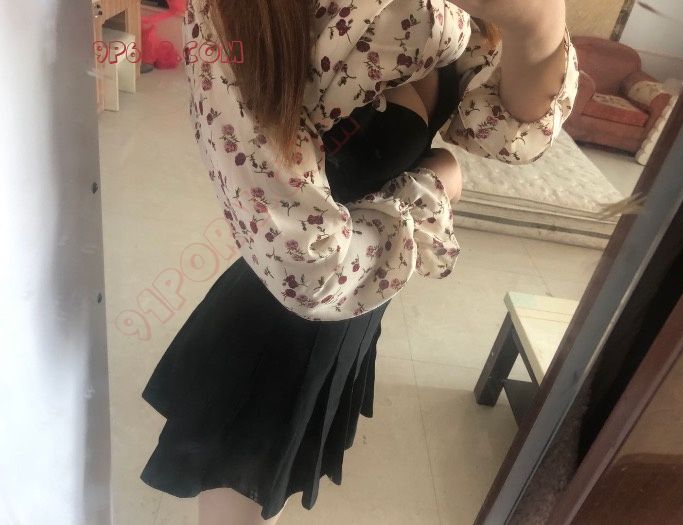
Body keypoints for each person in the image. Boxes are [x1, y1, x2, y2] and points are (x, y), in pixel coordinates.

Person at [139, 0, 579, 523]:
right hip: (276, 327)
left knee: (267, 494)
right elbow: (305, 262)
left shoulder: (434, 19)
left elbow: (500, 129)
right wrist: (434, 187)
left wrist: (538, 23)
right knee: (240, 501)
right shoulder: (242, 15)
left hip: (352, 315)